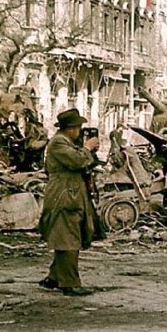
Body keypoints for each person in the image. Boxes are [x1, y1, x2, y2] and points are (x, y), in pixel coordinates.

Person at [37, 109, 100, 296]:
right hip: (65, 195)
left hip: (70, 192)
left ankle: (55, 277)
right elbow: (77, 161)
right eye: (78, 128)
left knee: (66, 236)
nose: (80, 132)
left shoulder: (66, 142)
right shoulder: (59, 142)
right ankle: (70, 283)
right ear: (70, 128)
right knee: (69, 239)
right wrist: (87, 148)